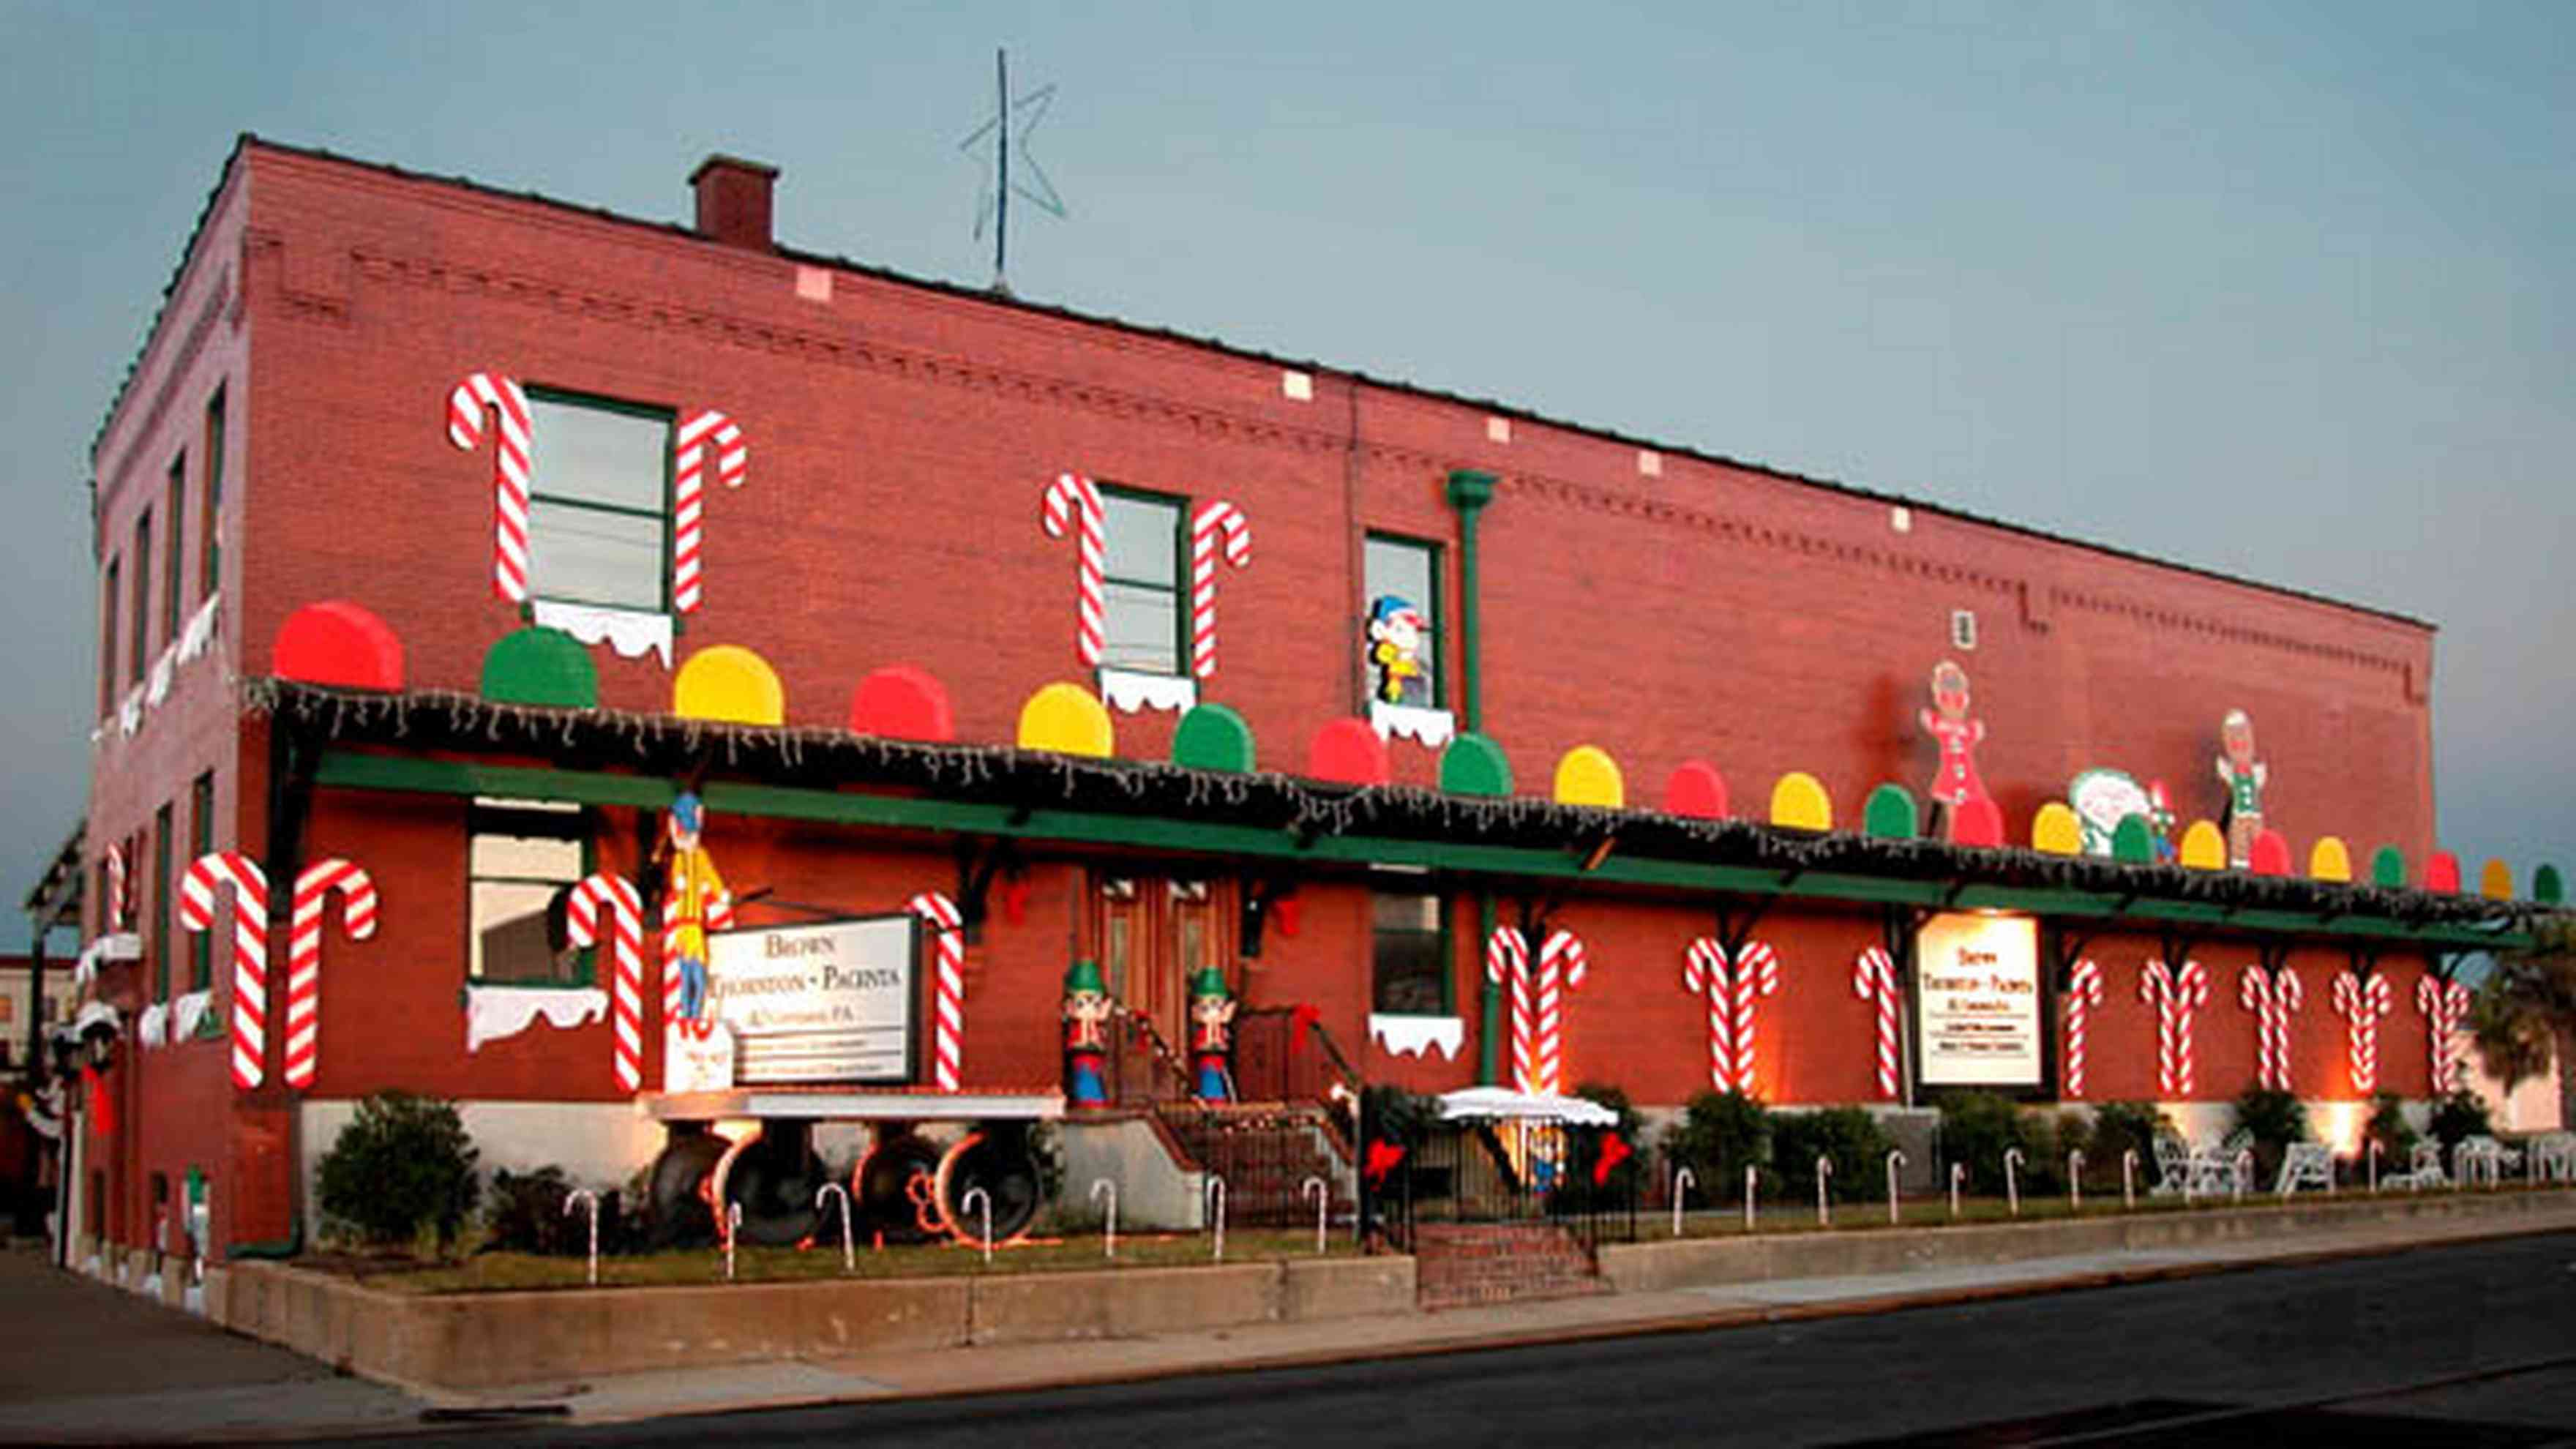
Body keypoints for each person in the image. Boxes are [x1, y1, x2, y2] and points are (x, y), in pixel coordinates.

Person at [662, 792, 727, 1022]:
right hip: (683, 928)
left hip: (696, 928)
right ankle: (685, 1014)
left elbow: (711, 876)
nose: (687, 837)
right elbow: (676, 878)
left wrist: (720, 893)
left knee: (699, 977)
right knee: (684, 975)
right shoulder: (679, 859)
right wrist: (678, 882)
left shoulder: (701, 856)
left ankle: (695, 1014)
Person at [1918, 660, 1991, 840]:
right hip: (1949, 773)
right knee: (1952, 811)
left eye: (1958, 701)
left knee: (1968, 809)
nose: (1952, 706)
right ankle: (1952, 842)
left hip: (1966, 772)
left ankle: (1965, 839)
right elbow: (1930, 721)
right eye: (1945, 699)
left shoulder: (1969, 730)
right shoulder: (1940, 725)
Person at [2214, 710, 2269, 869]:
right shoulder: (2231, 772)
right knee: (2239, 834)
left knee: (2256, 836)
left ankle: (2258, 863)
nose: (2239, 739)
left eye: (2243, 733)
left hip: (2254, 812)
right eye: (2233, 734)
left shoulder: (2256, 774)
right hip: (2239, 812)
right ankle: (2240, 863)